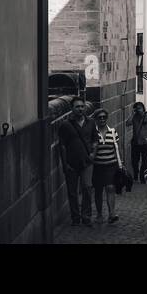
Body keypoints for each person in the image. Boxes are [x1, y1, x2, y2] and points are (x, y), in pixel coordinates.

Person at [56, 97, 94, 226]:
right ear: (72, 109)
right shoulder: (65, 125)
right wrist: (65, 163)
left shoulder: (91, 122)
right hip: (71, 163)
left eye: (82, 106)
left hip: (87, 162)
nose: (80, 109)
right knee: (72, 192)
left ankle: (86, 216)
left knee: (87, 189)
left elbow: (95, 140)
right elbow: (62, 146)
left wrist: (93, 153)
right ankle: (75, 217)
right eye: (77, 107)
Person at [88, 108, 125, 225]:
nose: (102, 119)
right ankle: (99, 215)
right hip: (98, 166)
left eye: (104, 117)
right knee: (98, 191)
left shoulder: (113, 132)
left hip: (111, 165)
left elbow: (117, 148)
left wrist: (120, 164)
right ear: (95, 119)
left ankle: (112, 213)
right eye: (100, 117)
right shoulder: (93, 133)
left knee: (110, 188)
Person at [130, 102, 147, 185]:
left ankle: (142, 175)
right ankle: (136, 173)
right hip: (135, 142)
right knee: (134, 161)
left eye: (140, 108)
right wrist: (132, 114)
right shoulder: (134, 117)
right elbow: (127, 123)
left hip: (145, 143)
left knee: (145, 161)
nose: (138, 110)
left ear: (143, 108)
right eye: (137, 108)